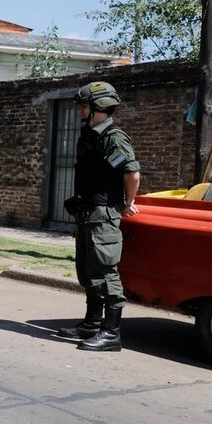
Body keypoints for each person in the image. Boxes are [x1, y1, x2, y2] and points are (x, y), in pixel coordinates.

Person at [56, 81, 140, 352]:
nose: (80, 111)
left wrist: (128, 203)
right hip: (86, 211)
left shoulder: (112, 137)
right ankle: (92, 324)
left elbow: (132, 174)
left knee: (105, 271)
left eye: (84, 106)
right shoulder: (89, 134)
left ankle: (111, 333)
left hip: (103, 214)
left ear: (100, 107)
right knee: (87, 270)